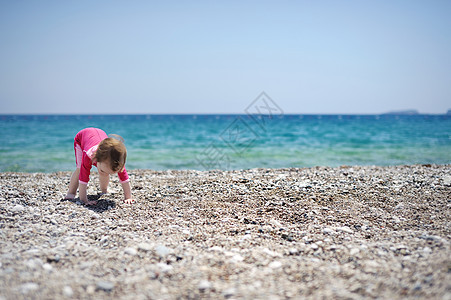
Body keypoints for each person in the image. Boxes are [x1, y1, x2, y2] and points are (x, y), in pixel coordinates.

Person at [64, 127, 135, 205]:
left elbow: (124, 178)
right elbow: (83, 179)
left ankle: (104, 190)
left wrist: (128, 197)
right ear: (96, 159)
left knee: (104, 173)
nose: (105, 173)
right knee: (80, 169)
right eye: (102, 170)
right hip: (81, 139)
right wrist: (84, 200)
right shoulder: (88, 156)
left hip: (99, 135)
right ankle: (71, 192)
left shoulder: (116, 160)